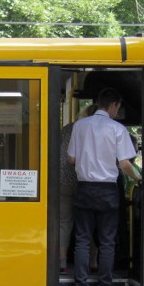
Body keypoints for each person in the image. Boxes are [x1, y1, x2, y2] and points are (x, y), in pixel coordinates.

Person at [66, 88, 141, 286]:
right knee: (107, 241)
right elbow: (125, 163)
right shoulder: (117, 129)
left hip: (84, 189)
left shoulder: (79, 126)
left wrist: (87, 159)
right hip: (107, 190)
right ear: (114, 105)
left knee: (82, 240)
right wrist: (138, 179)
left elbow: (71, 159)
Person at [59, 104, 97, 274]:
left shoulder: (68, 129)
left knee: (64, 222)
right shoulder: (95, 131)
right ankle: (92, 261)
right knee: (89, 222)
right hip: (86, 182)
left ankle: (62, 260)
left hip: (62, 182)